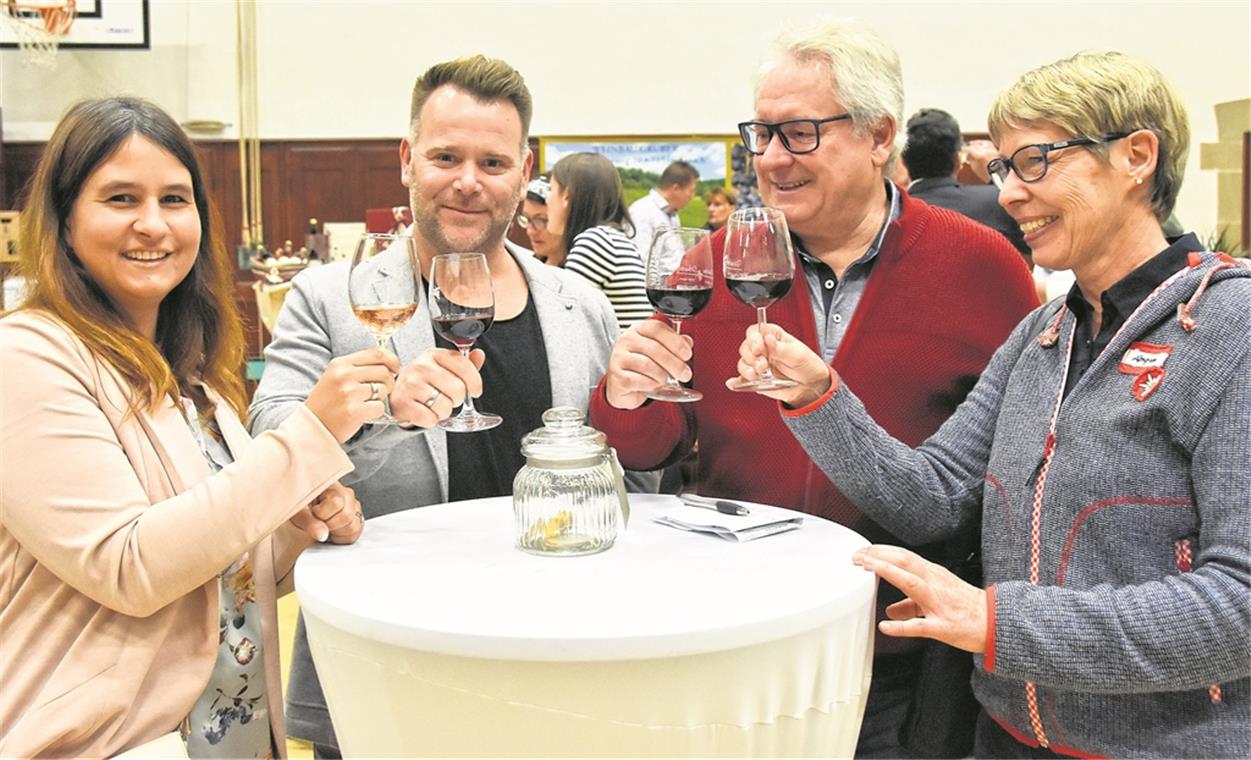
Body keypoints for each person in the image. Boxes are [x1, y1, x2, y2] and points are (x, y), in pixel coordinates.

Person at [741, 51, 1250, 759]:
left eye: (1035, 160)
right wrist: (817, 398)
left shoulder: (1232, 330)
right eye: (1005, 167)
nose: (1009, 193)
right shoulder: (1042, 336)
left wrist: (994, 620)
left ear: (1136, 156)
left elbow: (1239, 607)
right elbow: (931, 497)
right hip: (1003, 739)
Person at [589, 19, 1038, 758]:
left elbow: (1014, 460)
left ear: (877, 134)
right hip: (731, 639)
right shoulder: (712, 263)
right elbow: (655, 442)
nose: (769, 159)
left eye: (797, 134)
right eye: (758, 134)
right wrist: (625, 397)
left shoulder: (980, 268)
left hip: (897, 651)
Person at [248, 55, 646, 758]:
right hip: (387, 658)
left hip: (560, 651)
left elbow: (627, 475)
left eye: (492, 162)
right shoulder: (330, 295)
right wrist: (375, 411)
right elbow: (268, 431)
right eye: (444, 156)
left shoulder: (578, 304)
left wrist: (651, 424)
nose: (467, 181)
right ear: (407, 160)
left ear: (524, 174)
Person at [0, 97, 387, 758]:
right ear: (63, 223)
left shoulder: (193, 382)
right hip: (109, 741)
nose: (153, 225)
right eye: (121, 198)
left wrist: (297, 528)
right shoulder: (27, 357)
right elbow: (130, 566)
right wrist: (308, 437)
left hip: (232, 736)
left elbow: (228, 569)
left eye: (175, 200)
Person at [902, 108, 1031, 262]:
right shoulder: (994, 201)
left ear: (903, 161)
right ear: (958, 160)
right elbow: (1030, 241)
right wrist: (995, 176)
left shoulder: (891, 210)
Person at [547, 152, 652, 330]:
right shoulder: (612, 239)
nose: (547, 200)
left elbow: (561, 324)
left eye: (550, 190)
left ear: (566, 195)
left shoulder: (595, 242)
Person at [626, 159, 698, 251]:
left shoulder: (672, 214)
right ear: (676, 188)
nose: (692, 197)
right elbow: (640, 259)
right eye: (691, 191)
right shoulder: (641, 212)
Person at [516, 174, 563, 263]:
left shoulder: (578, 272)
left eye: (541, 220)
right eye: (526, 218)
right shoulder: (528, 266)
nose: (530, 232)